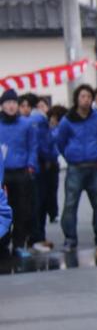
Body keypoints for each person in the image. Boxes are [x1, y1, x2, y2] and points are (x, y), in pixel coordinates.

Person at [54, 84, 97, 253]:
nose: (86, 100)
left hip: (96, 166)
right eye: (82, 96)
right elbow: (60, 142)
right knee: (70, 204)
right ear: (77, 99)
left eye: (88, 96)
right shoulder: (67, 120)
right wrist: (70, 155)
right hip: (75, 167)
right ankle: (70, 238)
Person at [0, 88, 38, 259]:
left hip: (21, 173)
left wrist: (31, 164)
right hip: (2, 175)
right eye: (7, 102)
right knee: (2, 212)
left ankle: (18, 245)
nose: (11, 106)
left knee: (22, 210)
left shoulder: (26, 124)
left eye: (14, 102)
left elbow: (33, 147)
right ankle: (2, 245)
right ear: (2, 106)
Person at [30, 96, 60, 250]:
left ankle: (39, 236)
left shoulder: (41, 121)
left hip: (42, 165)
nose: (43, 108)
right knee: (39, 203)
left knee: (41, 202)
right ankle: (37, 237)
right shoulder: (39, 121)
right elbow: (44, 144)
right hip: (41, 166)